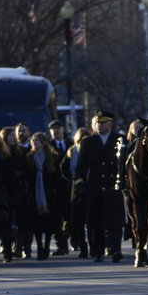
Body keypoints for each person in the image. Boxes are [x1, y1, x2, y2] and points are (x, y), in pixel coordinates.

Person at [74, 111, 127, 262]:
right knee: (96, 220)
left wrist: (125, 182)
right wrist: (80, 182)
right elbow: (81, 166)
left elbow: (124, 164)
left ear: (110, 124)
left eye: (102, 123)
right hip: (95, 185)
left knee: (115, 220)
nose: (99, 125)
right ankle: (98, 251)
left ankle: (116, 249)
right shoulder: (88, 141)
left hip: (113, 183)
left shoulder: (120, 139)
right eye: (97, 123)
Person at [26, 132, 62, 260]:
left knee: (48, 222)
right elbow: (27, 175)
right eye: (33, 140)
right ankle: (39, 247)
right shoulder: (29, 157)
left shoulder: (52, 157)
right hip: (34, 194)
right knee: (36, 223)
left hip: (48, 195)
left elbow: (57, 176)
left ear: (44, 142)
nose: (34, 142)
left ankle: (46, 245)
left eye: (37, 140)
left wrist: (54, 190)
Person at [60, 127, 92, 257]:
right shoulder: (72, 151)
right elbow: (63, 168)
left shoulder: (91, 149)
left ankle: (93, 246)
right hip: (76, 188)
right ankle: (82, 246)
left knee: (90, 219)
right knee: (78, 220)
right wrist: (72, 178)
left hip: (89, 186)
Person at [46, 120, 72, 255]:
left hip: (69, 186)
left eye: (58, 128)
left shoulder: (70, 144)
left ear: (63, 130)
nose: (56, 131)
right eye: (53, 129)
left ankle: (75, 241)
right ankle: (61, 245)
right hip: (55, 187)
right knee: (56, 217)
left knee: (71, 215)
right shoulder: (47, 146)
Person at [0, 131, 19, 264]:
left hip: (3, 196)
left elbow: (11, 180)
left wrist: (13, 198)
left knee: (4, 226)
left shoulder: (6, 158)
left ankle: (7, 253)